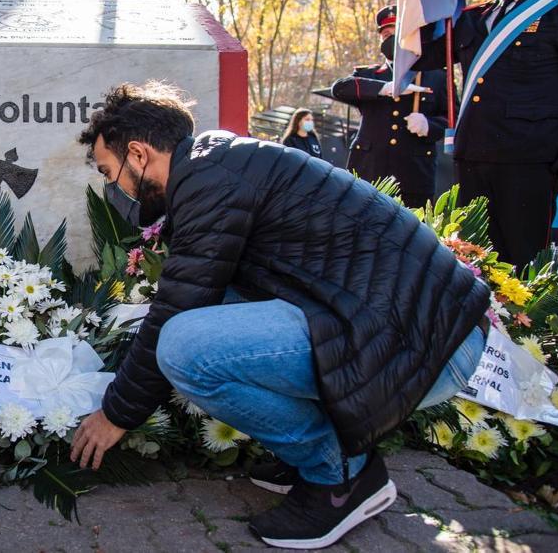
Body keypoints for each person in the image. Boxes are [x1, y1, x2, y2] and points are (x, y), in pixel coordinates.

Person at [68, 82, 489, 549]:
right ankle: (320, 455)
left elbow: (175, 313)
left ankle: (340, 475)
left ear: (138, 154)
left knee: (185, 348)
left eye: (111, 173)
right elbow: (203, 294)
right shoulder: (216, 163)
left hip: (428, 345)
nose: (115, 189)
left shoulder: (211, 181)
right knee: (214, 314)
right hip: (412, 328)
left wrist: (115, 414)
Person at [411, 0, 558, 268]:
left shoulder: (555, 11)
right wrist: (420, 3)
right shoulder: (472, 17)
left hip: (530, 158)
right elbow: (416, 56)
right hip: (474, 154)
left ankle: (524, 325)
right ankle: (487, 322)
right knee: (475, 257)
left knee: (522, 258)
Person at [330, 5, 450, 208]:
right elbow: (339, 88)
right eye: (386, 34)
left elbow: (451, 118)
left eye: (397, 33)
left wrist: (429, 125)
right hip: (370, 171)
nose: (391, 39)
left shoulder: (436, 76)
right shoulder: (368, 75)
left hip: (414, 175)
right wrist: (386, 87)